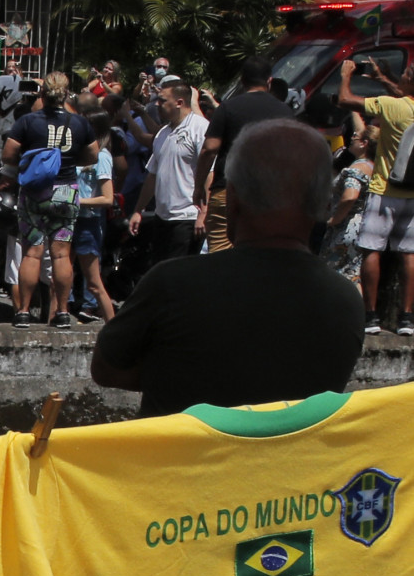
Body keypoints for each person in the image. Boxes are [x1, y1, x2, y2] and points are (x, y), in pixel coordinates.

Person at [94, 119, 364, 416]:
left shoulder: (173, 283)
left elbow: (106, 369)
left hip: (183, 457)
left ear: (233, 200)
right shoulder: (346, 300)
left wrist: (177, 374)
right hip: (287, 460)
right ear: (325, 205)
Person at [3, 73, 96, 330]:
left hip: (35, 191)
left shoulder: (28, 122)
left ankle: (23, 311)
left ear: (42, 95)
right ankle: (63, 312)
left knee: (32, 253)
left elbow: (9, 155)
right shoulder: (79, 123)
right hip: (66, 189)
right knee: (61, 254)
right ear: (66, 95)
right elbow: (93, 155)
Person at [337, 57, 414, 334]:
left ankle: (371, 318)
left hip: (384, 191)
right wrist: (385, 79)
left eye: (405, 73)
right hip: (412, 196)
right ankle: (407, 319)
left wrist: (346, 74)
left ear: (408, 81)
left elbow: (346, 100)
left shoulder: (391, 106)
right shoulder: (401, 103)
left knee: (372, 251)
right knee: (409, 255)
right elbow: (406, 97)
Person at [195, 57, 294, 252]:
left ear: (242, 80)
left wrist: (198, 186)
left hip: (227, 189)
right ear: (269, 81)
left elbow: (210, 149)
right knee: (261, 252)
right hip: (268, 194)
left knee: (220, 253)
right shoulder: (284, 112)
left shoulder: (228, 108)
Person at [127, 78, 208, 265]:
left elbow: (209, 174)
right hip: (162, 217)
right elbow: (152, 175)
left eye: (163, 100)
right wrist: (138, 210)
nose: (157, 105)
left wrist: (204, 213)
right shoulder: (163, 134)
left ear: (179, 102)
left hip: (187, 217)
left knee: (180, 275)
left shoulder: (199, 128)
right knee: (160, 271)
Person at [72, 110, 117, 322]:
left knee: (94, 283)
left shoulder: (103, 157)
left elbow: (107, 199)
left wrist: (77, 201)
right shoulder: (78, 152)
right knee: (58, 279)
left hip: (88, 222)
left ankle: (113, 326)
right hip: (69, 219)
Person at [324, 132, 373, 285]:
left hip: (346, 227)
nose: (352, 138)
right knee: (352, 276)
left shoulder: (357, 168)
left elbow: (350, 195)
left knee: (335, 276)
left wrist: (334, 219)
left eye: (355, 137)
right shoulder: (373, 166)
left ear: (364, 143)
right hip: (363, 225)